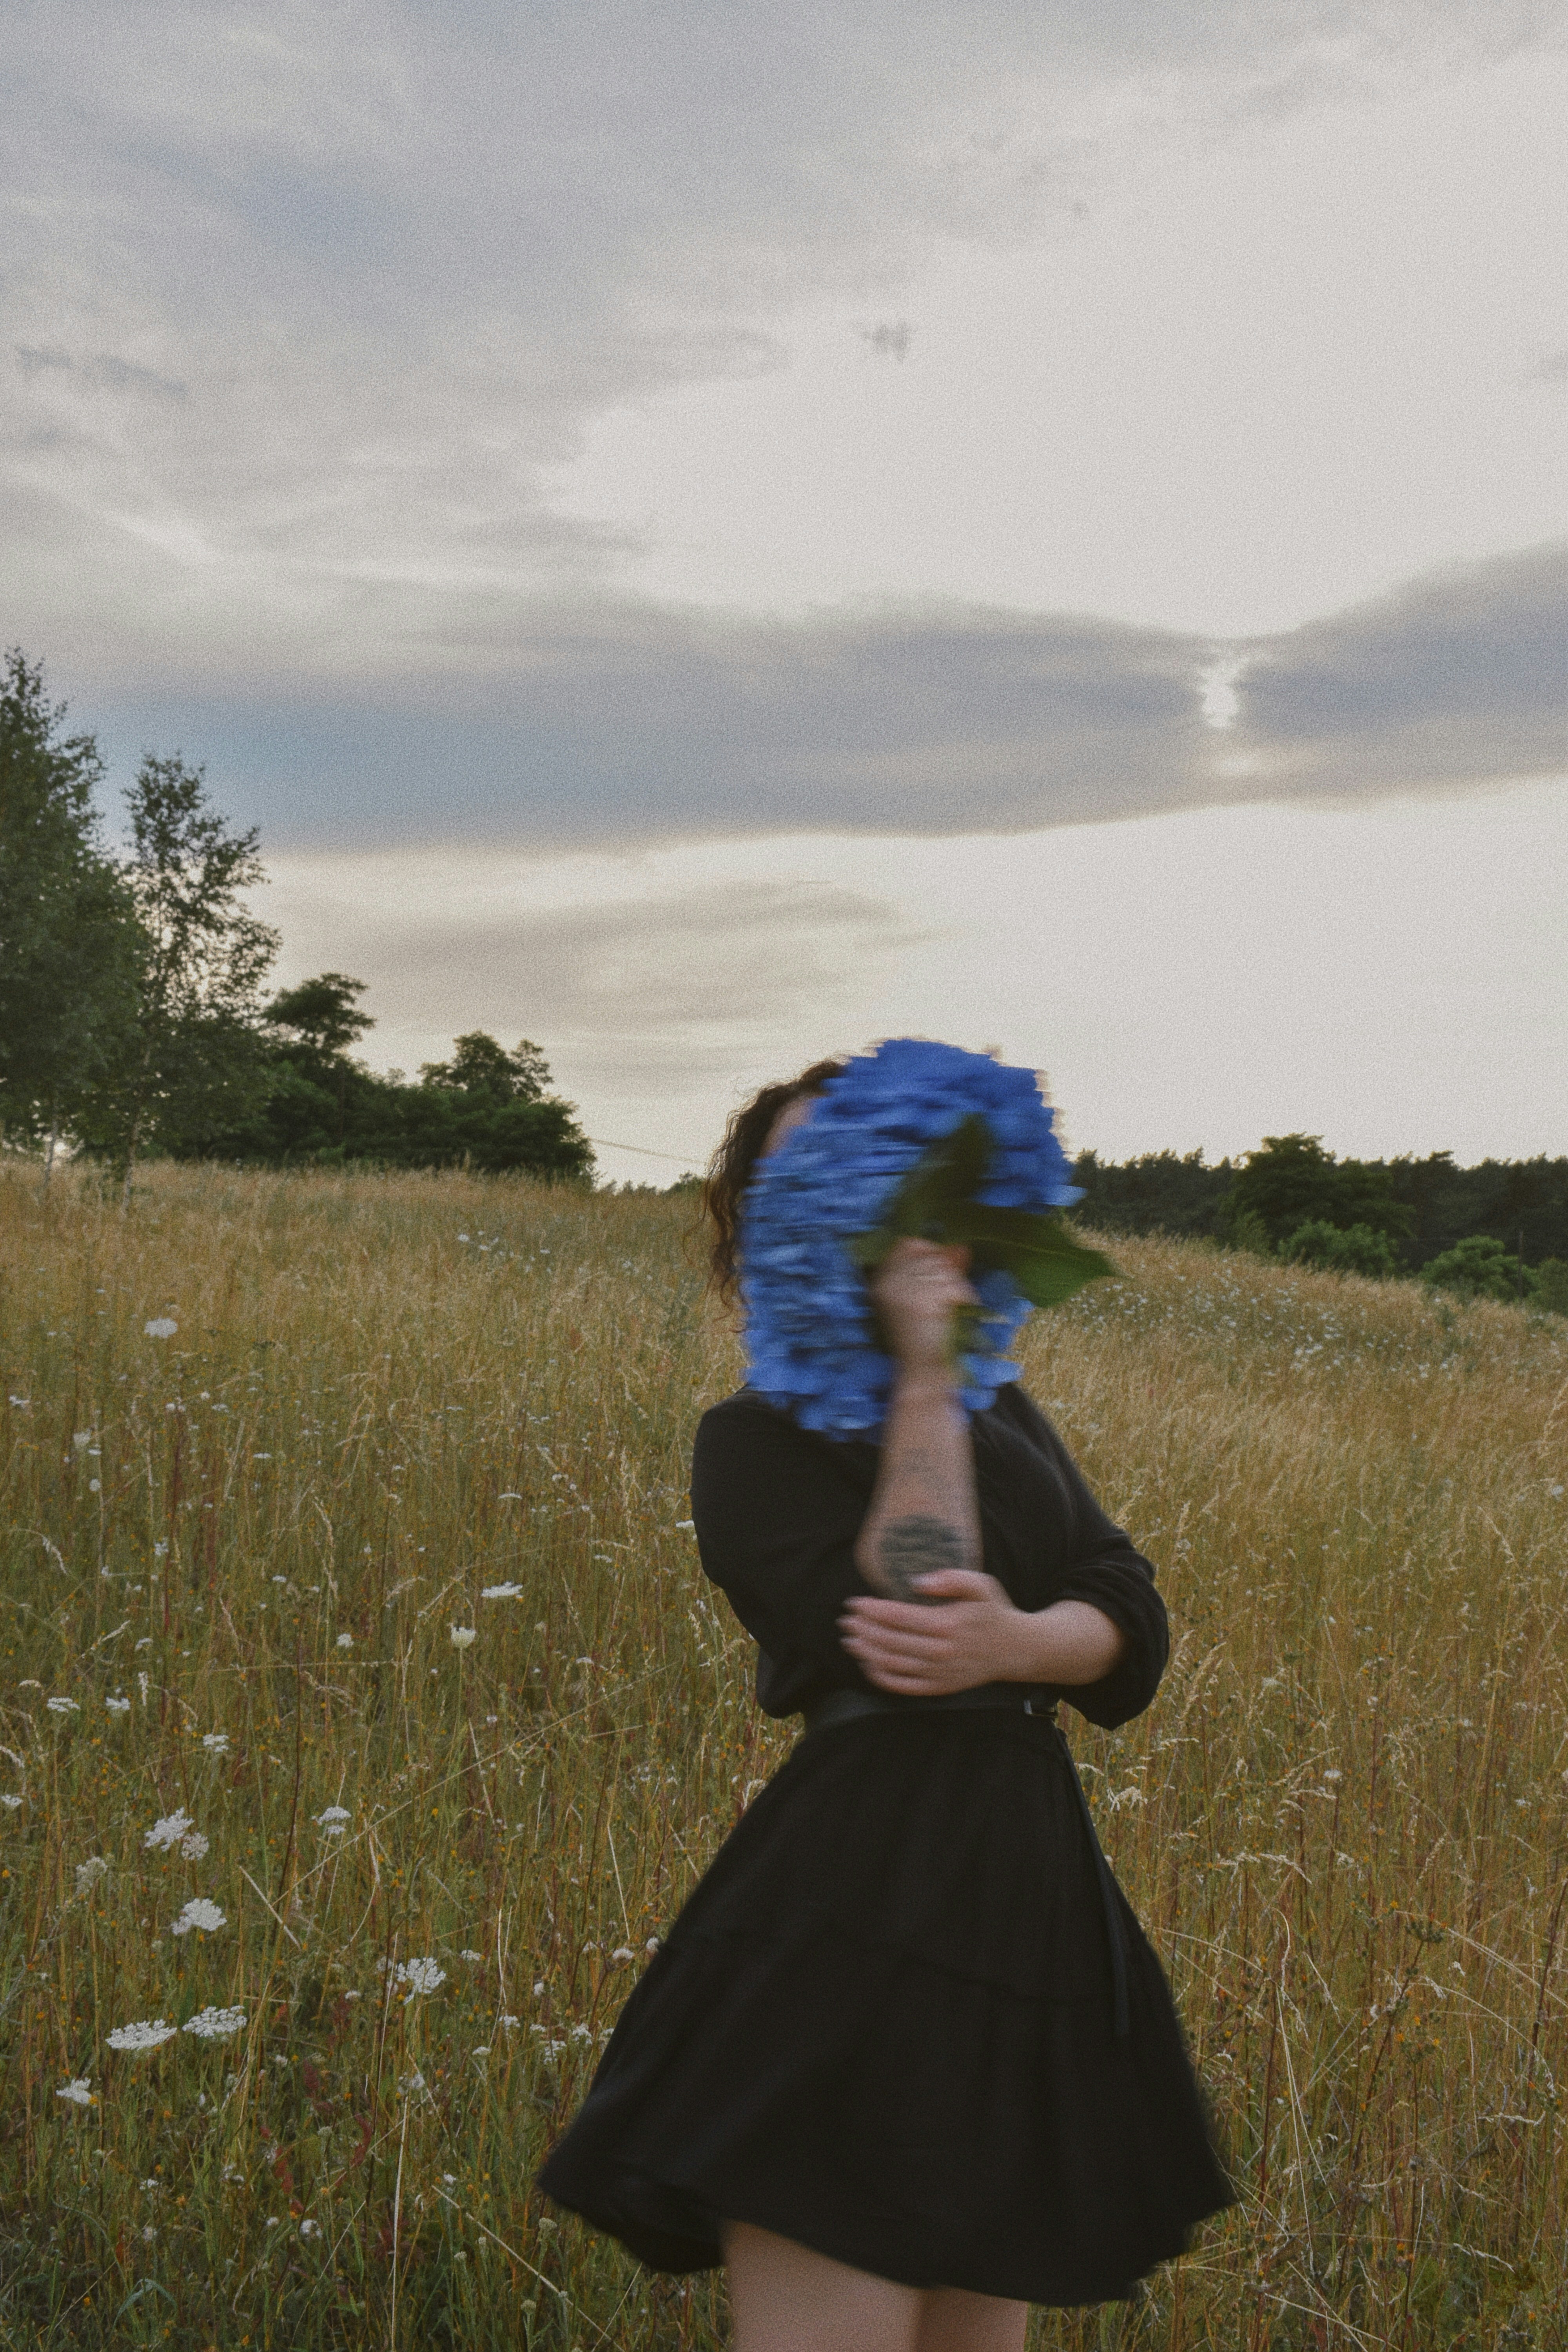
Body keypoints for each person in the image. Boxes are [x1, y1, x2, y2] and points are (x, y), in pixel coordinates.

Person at [538, 1057, 1232, 2352]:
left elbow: (1127, 1612)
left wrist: (1022, 1642)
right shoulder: (751, 1438)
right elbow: (917, 1596)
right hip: (856, 1897)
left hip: (1027, 1902)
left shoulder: (1005, 1409)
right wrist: (924, 1371)